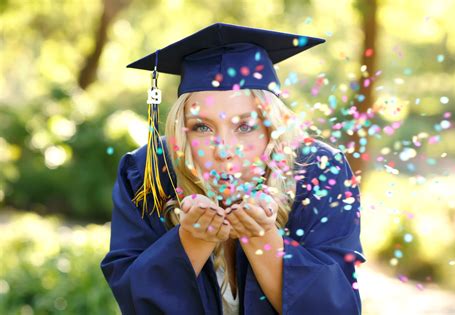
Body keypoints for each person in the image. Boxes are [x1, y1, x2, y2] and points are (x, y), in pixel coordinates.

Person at [100, 22, 366, 315]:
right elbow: (136, 304)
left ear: (272, 128)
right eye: (202, 127)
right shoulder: (149, 173)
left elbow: (336, 309)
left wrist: (263, 240)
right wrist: (192, 240)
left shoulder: (318, 171)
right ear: (181, 128)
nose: (224, 150)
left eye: (245, 126)